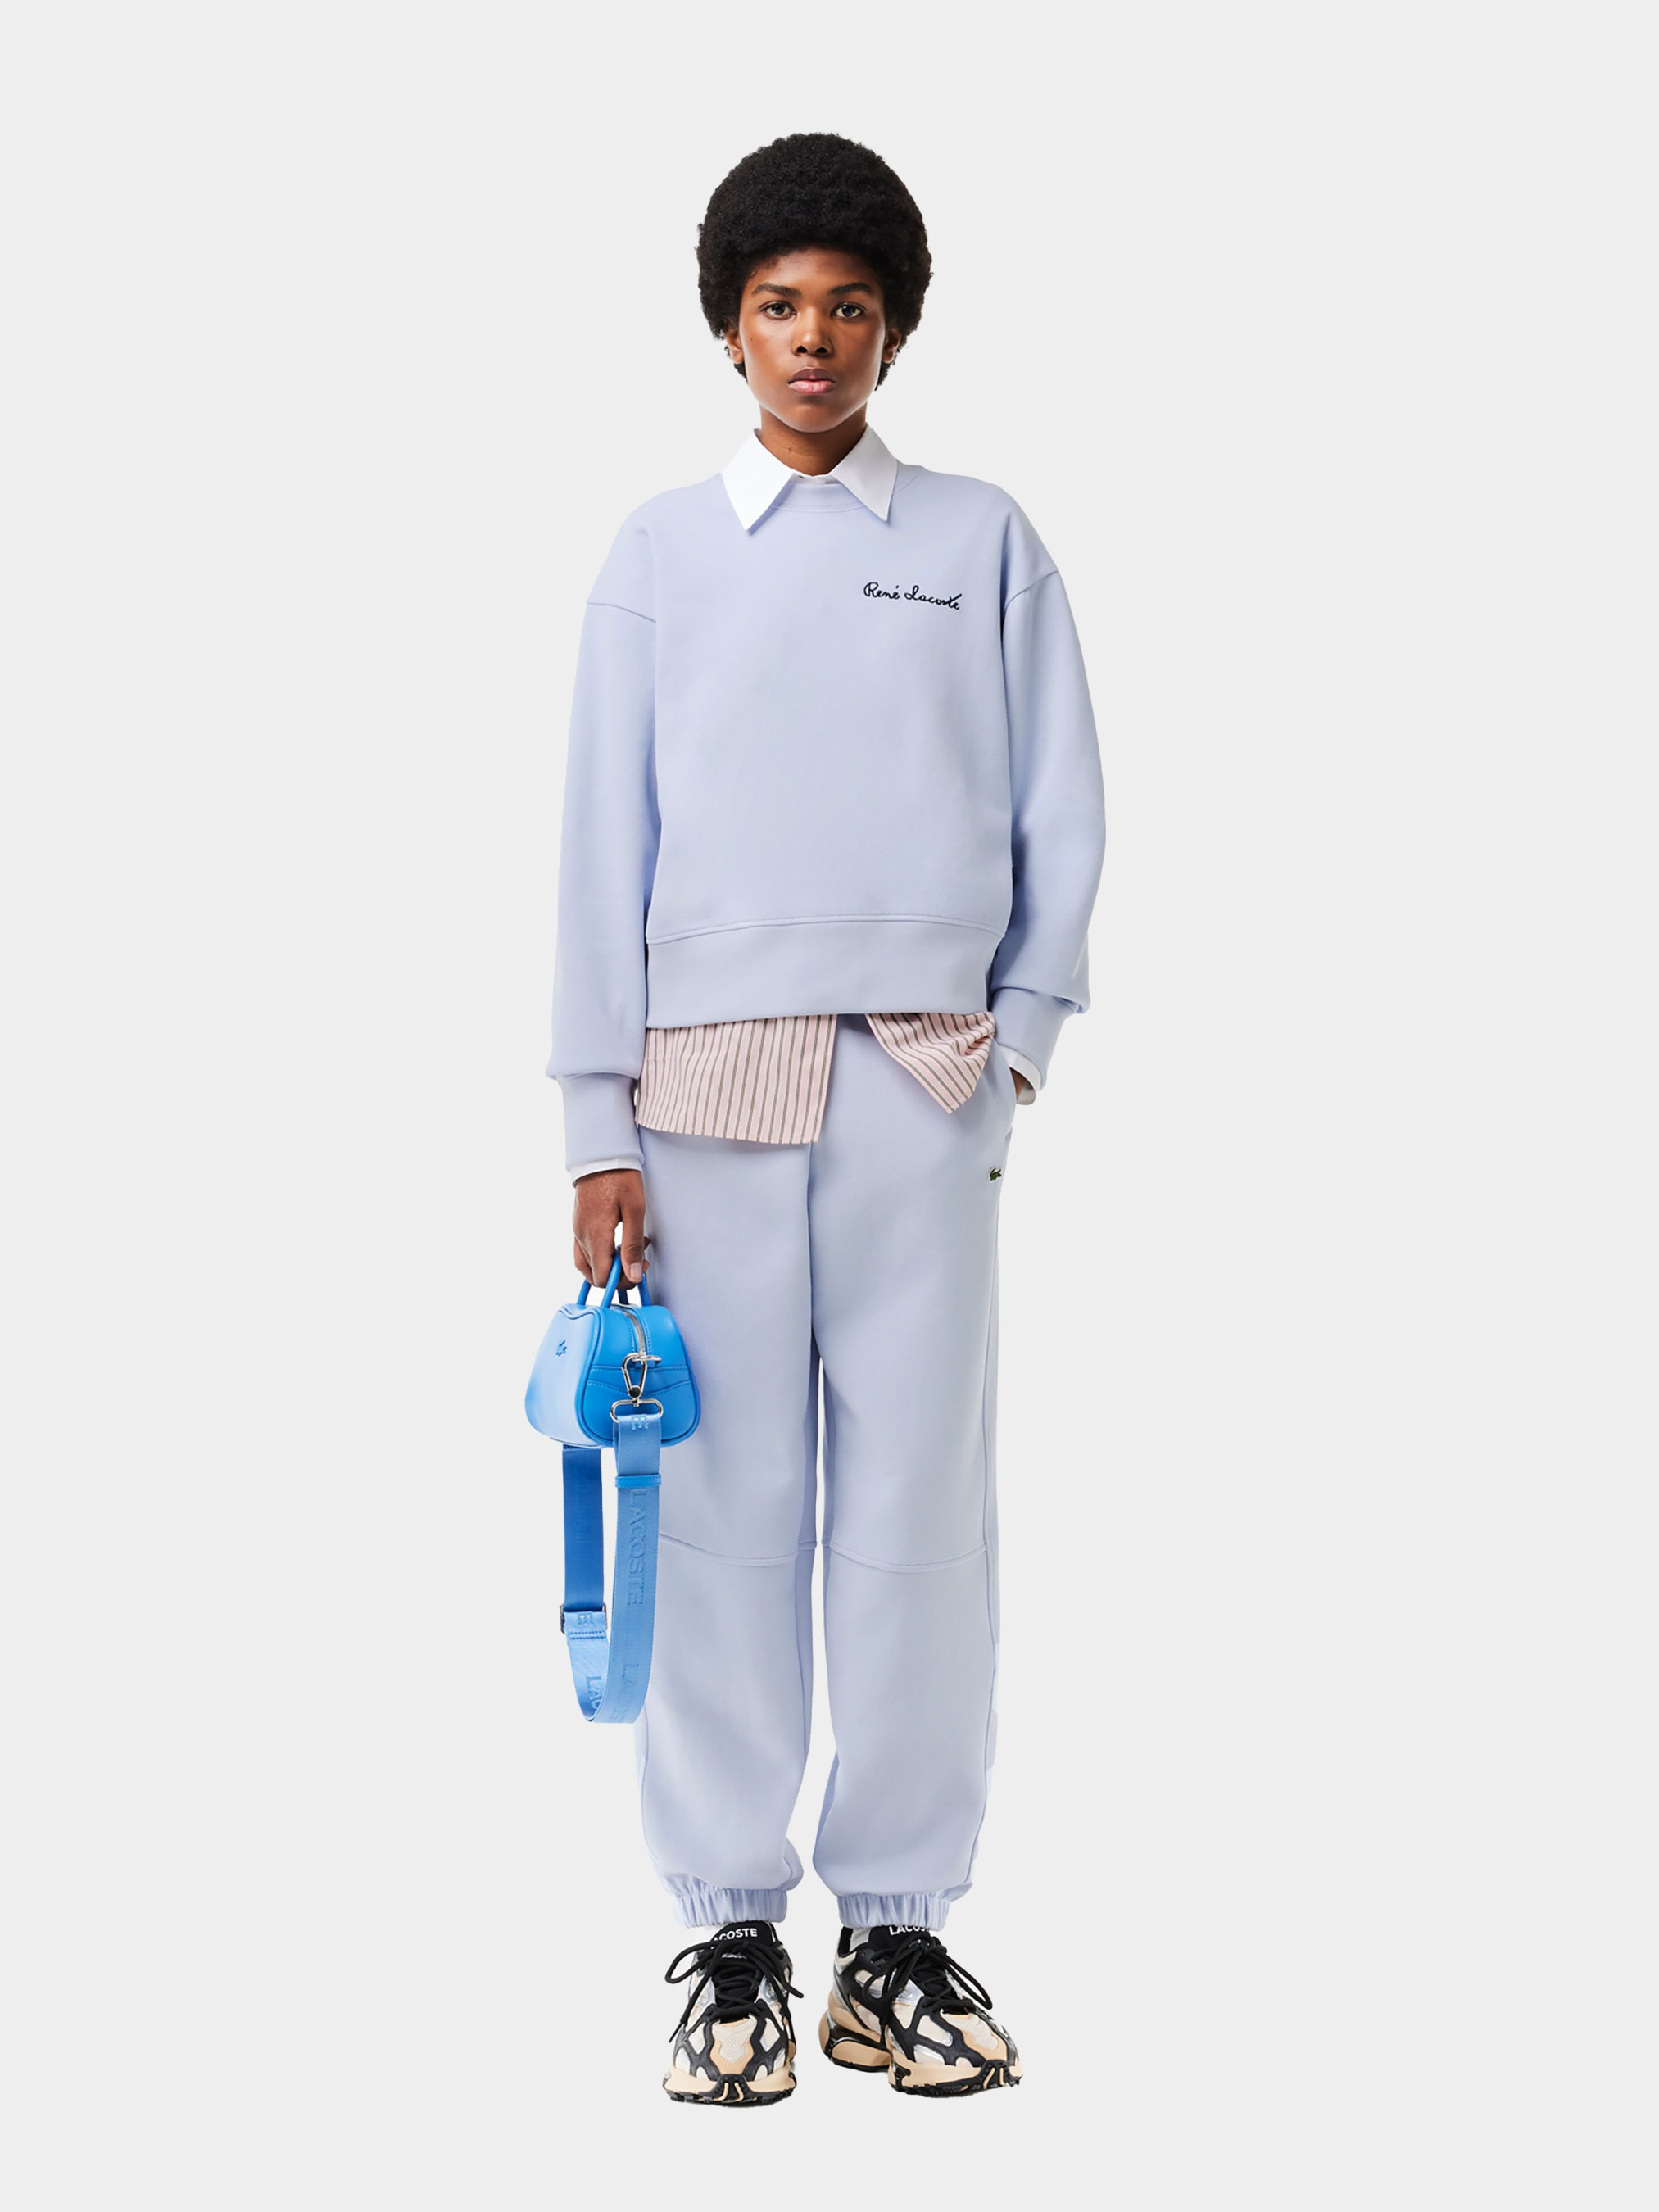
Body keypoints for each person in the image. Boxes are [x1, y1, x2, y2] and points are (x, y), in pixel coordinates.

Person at [548, 132, 1104, 2105]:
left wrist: (1016, 1038)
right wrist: (593, 1123)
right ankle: (726, 1930)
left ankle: (893, 1930)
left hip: (921, 1081)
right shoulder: (658, 554)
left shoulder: (979, 538)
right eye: (778, 305)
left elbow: (1058, 803)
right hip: (699, 1095)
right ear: (727, 327)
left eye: (847, 307)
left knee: (914, 1518)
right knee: (714, 1510)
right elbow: (598, 844)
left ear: (893, 327)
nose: (812, 338)